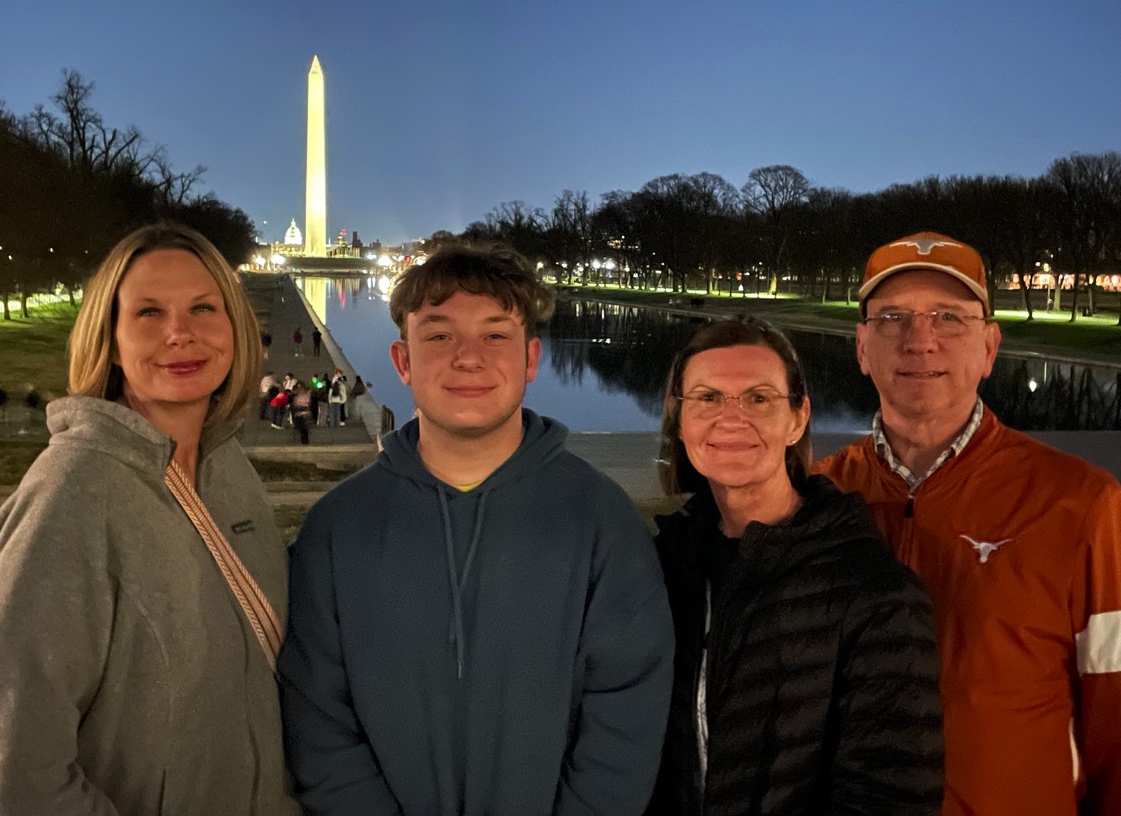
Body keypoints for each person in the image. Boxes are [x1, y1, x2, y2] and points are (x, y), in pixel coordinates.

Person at [279, 242, 674, 814]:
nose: (468, 357)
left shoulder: (601, 521)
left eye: (495, 335)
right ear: (402, 360)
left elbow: (625, 715)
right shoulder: (337, 529)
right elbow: (318, 722)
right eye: (439, 336)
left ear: (531, 359)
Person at [0, 223, 299, 814]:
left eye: (202, 307)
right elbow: (9, 766)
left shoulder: (228, 468)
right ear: (110, 339)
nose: (180, 332)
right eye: (148, 313)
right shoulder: (72, 495)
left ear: (235, 328)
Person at [818, 231, 1121, 816]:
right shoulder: (817, 497)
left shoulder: (1082, 504)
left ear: (988, 347)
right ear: (861, 347)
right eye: (892, 317)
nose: (920, 340)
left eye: (948, 317)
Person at [648, 316, 943, 815]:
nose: (731, 417)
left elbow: (890, 799)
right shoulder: (659, 570)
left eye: (759, 398)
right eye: (708, 397)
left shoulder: (875, 593)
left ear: (798, 418)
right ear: (680, 418)